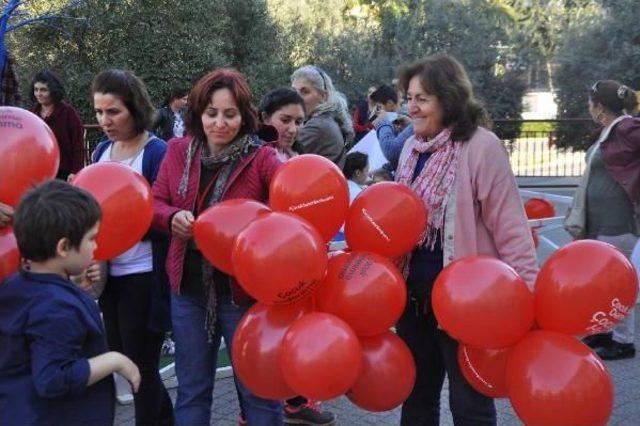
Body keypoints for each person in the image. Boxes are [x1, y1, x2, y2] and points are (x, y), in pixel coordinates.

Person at [394, 54, 538, 426]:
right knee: (417, 398)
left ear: (448, 98)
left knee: (470, 402)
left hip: (468, 303)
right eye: (409, 97)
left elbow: (510, 227)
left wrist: (529, 294)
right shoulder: (411, 149)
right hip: (414, 299)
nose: (412, 107)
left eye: (422, 98)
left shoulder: (480, 146)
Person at [152, 68, 283, 426]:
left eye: (230, 114)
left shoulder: (262, 160)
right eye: (212, 113)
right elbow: (155, 202)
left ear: (244, 116)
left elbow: (289, 209)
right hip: (188, 291)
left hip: (243, 294)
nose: (220, 123)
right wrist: (171, 217)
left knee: (259, 392)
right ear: (199, 113)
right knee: (192, 391)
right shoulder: (179, 151)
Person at [0, 180, 140, 426]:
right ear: (64, 247)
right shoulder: (56, 308)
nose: (96, 246)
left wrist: (70, 289)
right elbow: (53, 379)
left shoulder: (18, 286)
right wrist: (115, 360)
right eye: (91, 239)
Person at [90, 69, 173, 425]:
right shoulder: (100, 152)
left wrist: (129, 229)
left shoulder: (157, 153)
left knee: (141, 366)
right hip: (109, 276)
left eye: (113, 112)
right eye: (98, 112)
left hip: (144, 276)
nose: (105, 121)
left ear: (135, 109)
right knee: (126, 359)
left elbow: (165, 216)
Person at [567, 80, 640, 360]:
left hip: (619, 223)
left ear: (599, 107)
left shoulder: (626, 127)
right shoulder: (611, 132)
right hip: (603, 223)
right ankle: (607, 331)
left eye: (590, 102)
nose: (588, 107)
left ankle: (624, 341)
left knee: (618, 282)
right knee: (603, 282)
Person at [291, 65, 354, 168]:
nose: (296, 97)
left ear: (323, 96)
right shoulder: (328, 120)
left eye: (305, 91)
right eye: (294, 92)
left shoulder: (318, 126)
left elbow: (281, 157)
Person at [30, 70, 85, 180]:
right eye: (36, 90)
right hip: (38, 171)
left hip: (63, 172)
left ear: (53, 91)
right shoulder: (32, 115)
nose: (39, 94)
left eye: (43, 90)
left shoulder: (68, 113)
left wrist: (75, 171)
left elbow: (78, 144)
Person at [259, 88, 305, 161]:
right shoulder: (255, 156)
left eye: (298, 122)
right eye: (285, 120)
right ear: (265, 118)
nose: (293, 130)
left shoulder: (299, 155)